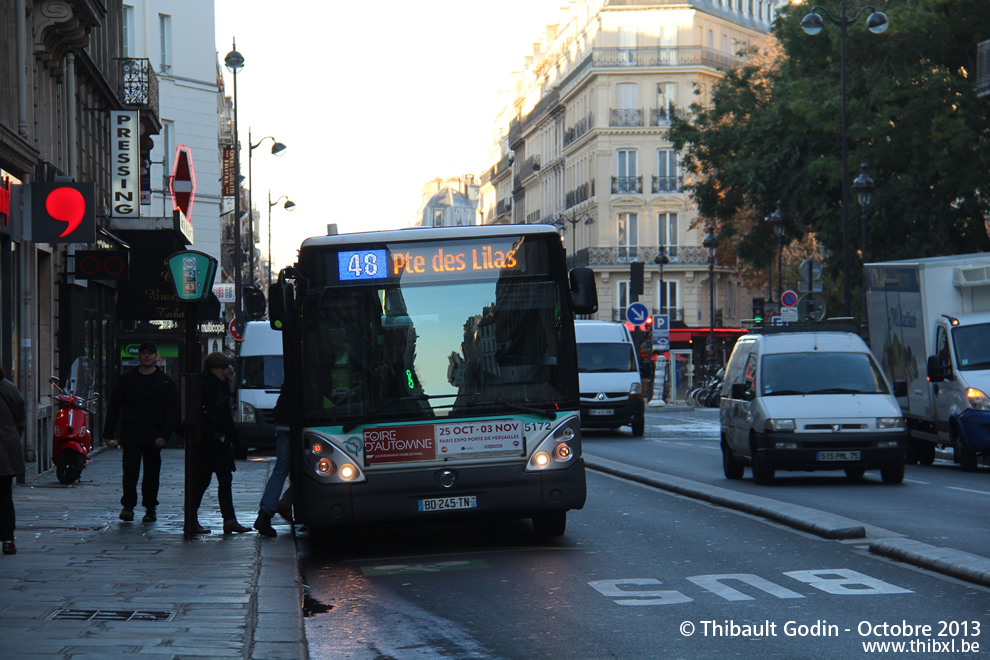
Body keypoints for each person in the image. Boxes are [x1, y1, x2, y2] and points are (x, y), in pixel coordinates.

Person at [103, 341, 178, 524]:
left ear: (155, 356)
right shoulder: (127, 379)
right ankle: (128, 506)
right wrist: (109, 432)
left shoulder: (165, 381)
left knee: (151, 474)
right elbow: (114, 406)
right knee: (130, 472)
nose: (146, 356)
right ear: (139, 356)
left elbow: (173, 411)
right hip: (131, 432)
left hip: (154, 434)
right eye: (144, 353)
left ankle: (150, 508)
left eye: (150, 353)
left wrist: (164, 435)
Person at [190, 352, 251, 534]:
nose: (227, 372)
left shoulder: (217, 385)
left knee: (223, 480)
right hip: (210, 441)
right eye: (224, 368)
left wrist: (234, 440)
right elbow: (213, 415)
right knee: (204, 481)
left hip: (217, 440)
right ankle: (193, 519)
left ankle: (228, 520)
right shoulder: (207, 386)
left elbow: (224, 415)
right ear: (215, 368)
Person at [253, 389, 292, 537]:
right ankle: (286, 503)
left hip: (283, 424)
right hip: (297, 424)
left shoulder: (288, 382)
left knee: (280, 470)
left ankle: (265, 513)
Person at [0, 366, 26, 555]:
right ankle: (8, 539)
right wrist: (12, 436)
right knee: (4, 496)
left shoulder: (7, 388)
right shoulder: (8, 387)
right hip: (6, 449)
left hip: (5, 447)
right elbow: (20, 418)